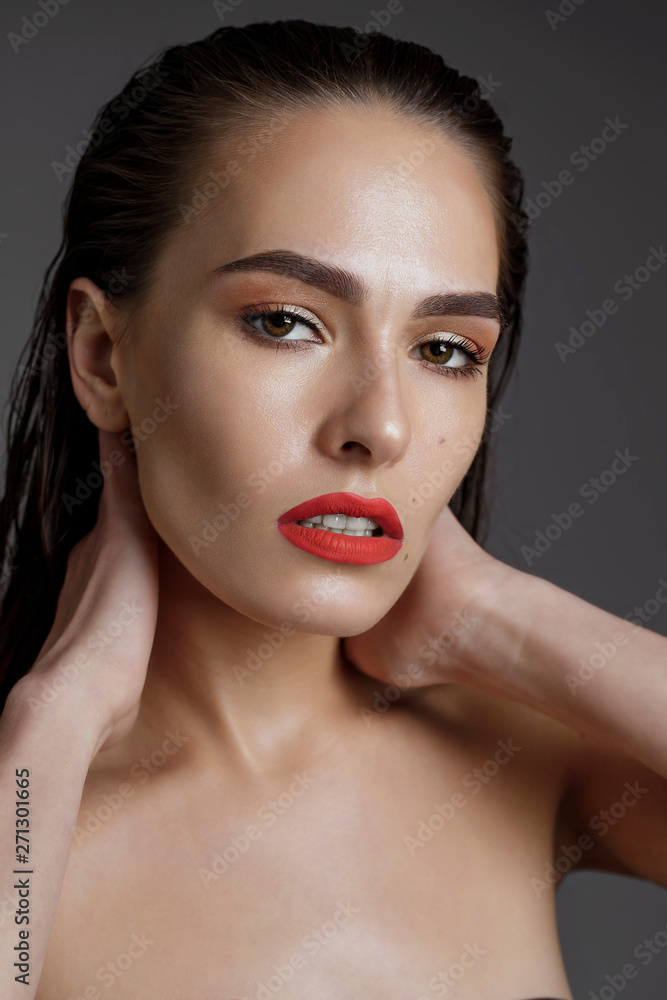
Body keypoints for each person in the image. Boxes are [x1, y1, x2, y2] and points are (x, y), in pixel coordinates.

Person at [0, 18, 665, 1000]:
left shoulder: (516, 756)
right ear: (103, 355)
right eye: (285, 322)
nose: (379, 427)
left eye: (444, 349)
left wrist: (497, 619)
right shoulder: (28, 814)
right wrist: (52, 724)